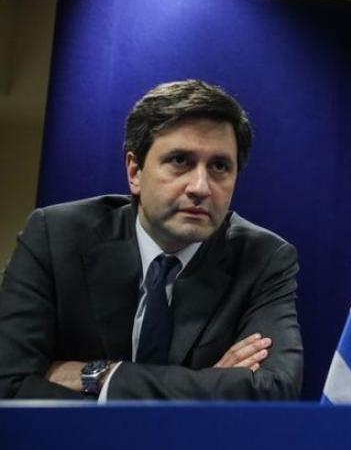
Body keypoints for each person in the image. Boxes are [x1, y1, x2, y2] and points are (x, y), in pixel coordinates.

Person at [0, 79, 303, 400]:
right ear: (135, 172)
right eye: (180, 161)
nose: (200, 187)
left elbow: (274, 389)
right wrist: (208, 386)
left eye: (219, 166)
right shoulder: (55, 236)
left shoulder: (263, 258)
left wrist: (102, 376)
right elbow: (7, 383)